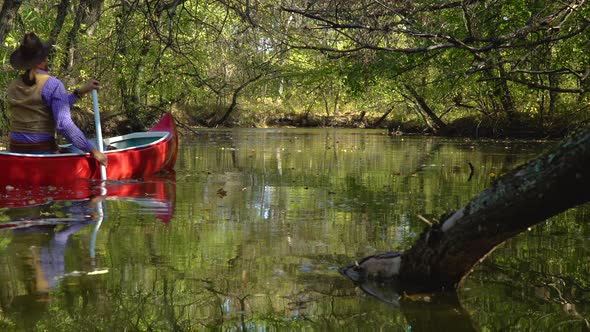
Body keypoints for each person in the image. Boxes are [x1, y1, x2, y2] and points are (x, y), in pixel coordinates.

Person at [6, 32, 107, 166]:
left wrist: (80, 92)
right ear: (43, 59)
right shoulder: (53, 84)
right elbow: (64, 125)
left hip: (15, 151)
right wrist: (94, 152)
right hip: (42, 152)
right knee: (102, 146)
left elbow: (49, 106)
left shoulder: (14, 85)